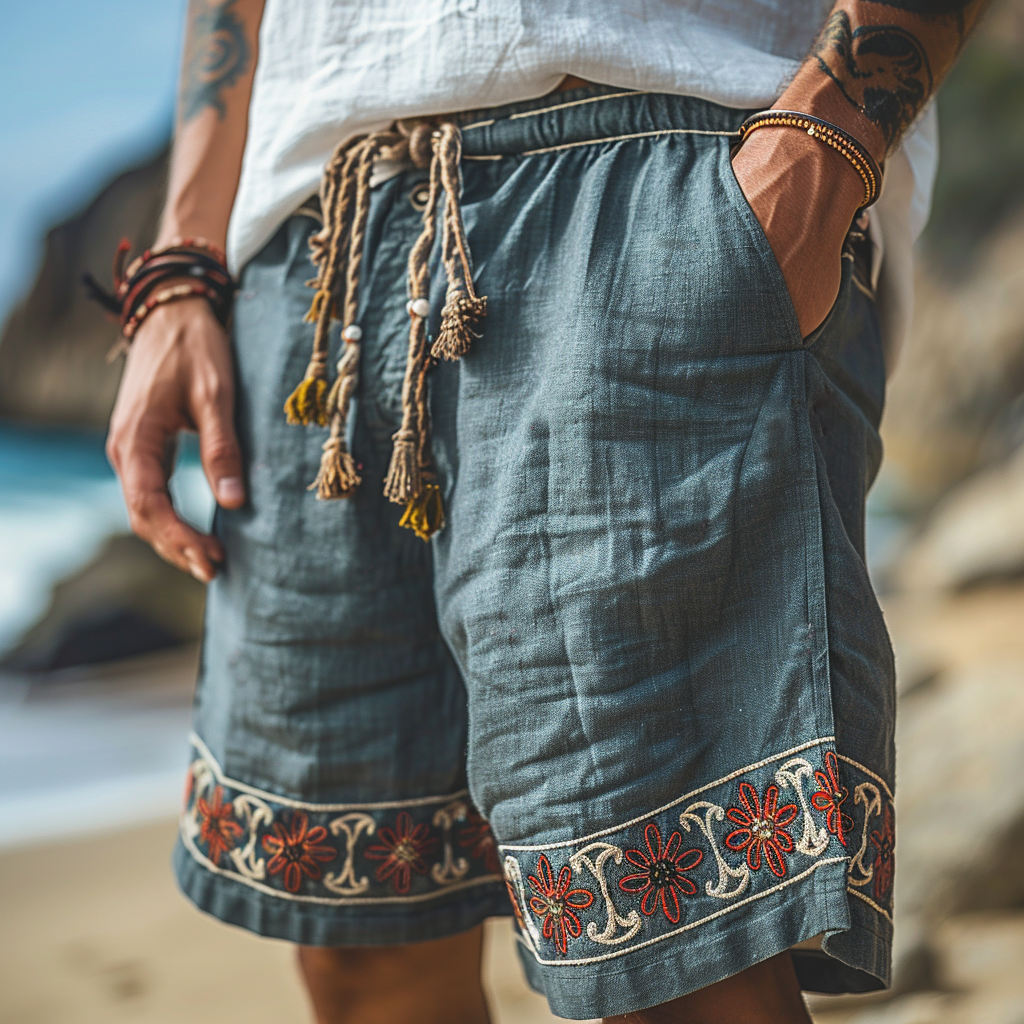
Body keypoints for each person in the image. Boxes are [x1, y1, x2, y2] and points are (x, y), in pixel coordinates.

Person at [102, 2, 987, 1022]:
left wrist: (824, 142)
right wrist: (180, 265)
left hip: (644, 176)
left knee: (673, 943)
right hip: (317, 246)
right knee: (359, 936)